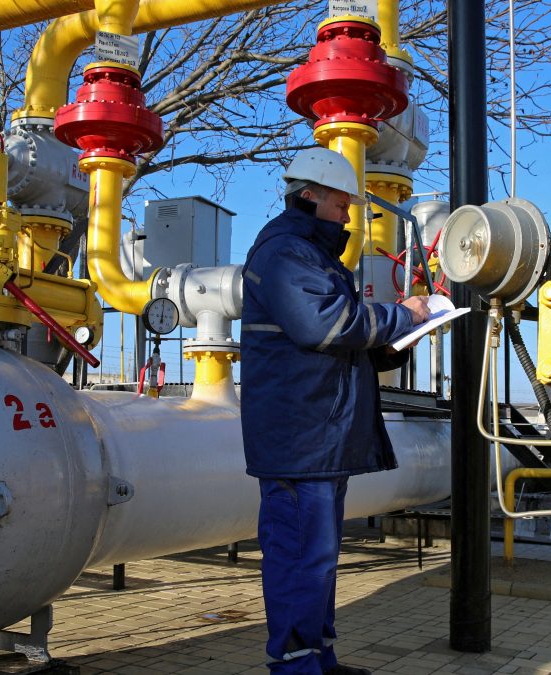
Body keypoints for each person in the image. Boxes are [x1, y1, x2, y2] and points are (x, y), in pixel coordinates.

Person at [240, 147, 431, 675]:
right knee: (302, 559)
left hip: (317, 436)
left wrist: (403, 335)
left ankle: (318, 659)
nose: (350, 212)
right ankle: (297, 666)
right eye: (343, 201)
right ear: (311, 195)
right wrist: (398, 315)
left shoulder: (313, 255)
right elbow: (324, 325)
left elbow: (345, 338)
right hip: (300, 439)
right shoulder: (285, 251)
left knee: (317, 561)